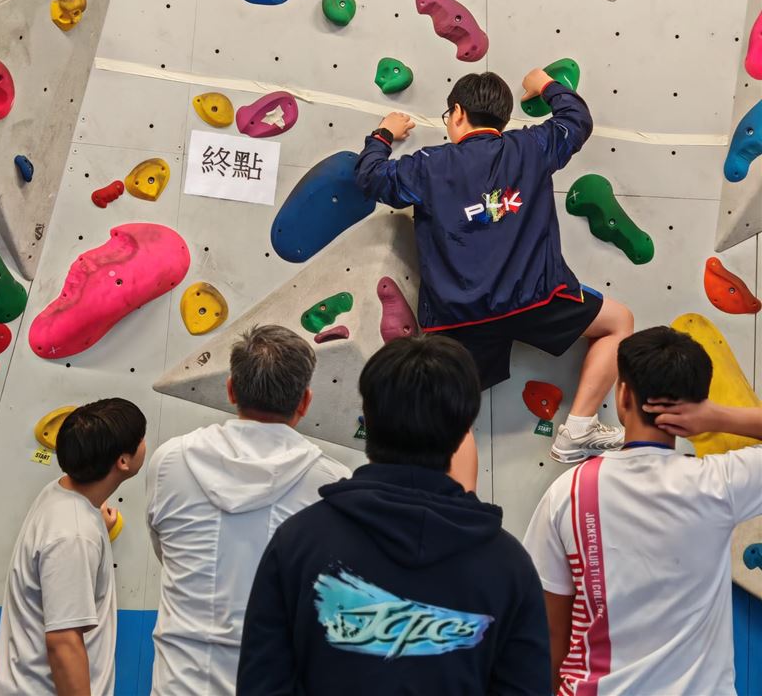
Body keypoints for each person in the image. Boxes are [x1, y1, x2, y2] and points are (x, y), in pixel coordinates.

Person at [237, 334, 551, 696]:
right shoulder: (508, 566)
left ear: (367, 418)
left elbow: (261, 684)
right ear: (464, 427)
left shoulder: (298, 542)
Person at [355, 68, 634, 463]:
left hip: (459, 318)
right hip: (536, 301)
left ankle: (451, 493)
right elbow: (577, 119)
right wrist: (544, 83)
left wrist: (384, 133)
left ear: (457, 112)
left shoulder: (429, 165)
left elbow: (369, 178)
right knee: (619, 322)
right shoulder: (531, 147)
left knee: (454, 424)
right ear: (502, 118)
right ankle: (579, 428)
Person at [523, 326, 762, 696]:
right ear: (698, 401)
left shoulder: (568, 492)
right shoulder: (720, 484)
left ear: (622, 395)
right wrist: (717, 417)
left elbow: (551, 631)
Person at [146, 325, 349, 696]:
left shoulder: (169, 462)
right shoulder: (333, 485)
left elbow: (168, 553)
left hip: (179, 684)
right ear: (304, 402)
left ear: (231, 389)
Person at [0, 398, 146, 696]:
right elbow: (63, 643)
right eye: (141, 438)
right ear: (123, 461)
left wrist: (95, 523)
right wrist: (84, 535)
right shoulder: (74, 537)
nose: (144, 443)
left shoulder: (61, 493)